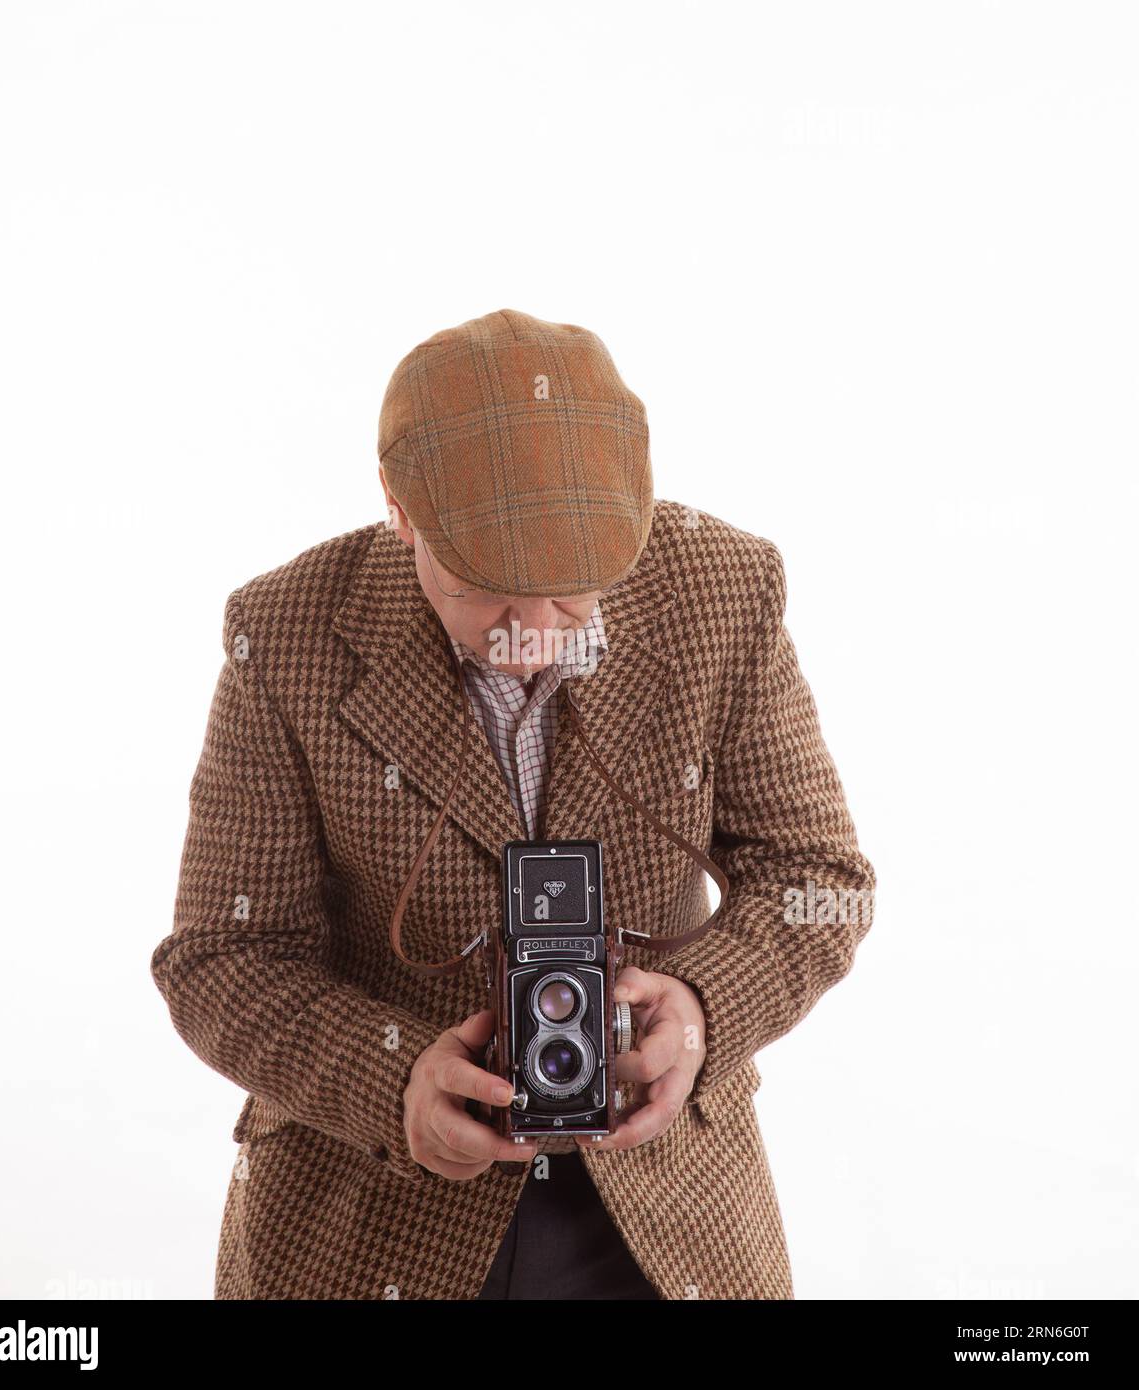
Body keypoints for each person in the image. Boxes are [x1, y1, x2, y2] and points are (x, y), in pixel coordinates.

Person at [150, 308, 876, 1300]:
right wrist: (396, 1080)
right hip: (373, 1212)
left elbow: (817, 878)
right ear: (400, 510)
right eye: (489, 585)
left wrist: (700, 1010)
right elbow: (220, 955)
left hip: (664, 1211)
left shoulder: (723, 587)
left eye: (573, 591)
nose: (533, 629)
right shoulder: (283, 634)